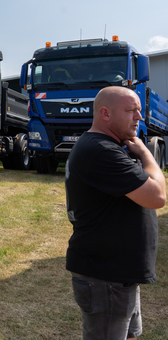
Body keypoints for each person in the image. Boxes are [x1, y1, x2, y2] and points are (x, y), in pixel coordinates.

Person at [65, 86, 166, 340]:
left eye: (139, 111)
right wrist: (145, 153)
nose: (139, 118)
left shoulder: (111, 146)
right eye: (132, 111)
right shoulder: (101, 151)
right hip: (105, 276)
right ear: (106, 114)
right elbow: (157, 196)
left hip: (119, 274)